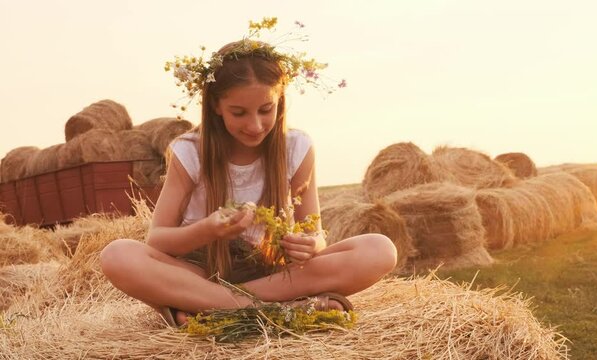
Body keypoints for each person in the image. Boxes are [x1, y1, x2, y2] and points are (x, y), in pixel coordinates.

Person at [99, 30, 397, 327]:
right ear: (216, 107)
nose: (255, 125)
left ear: (280, 98)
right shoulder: (189, 152)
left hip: (272, 273)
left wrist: (310, 245)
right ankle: (277, 310)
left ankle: (211, 308)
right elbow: (158, 239)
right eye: (239, 112)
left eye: (266, 110)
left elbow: (315, 235)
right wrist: (208, 230)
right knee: (118, 256)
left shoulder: (297, 147)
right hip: (200, 271)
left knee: (379, 250)